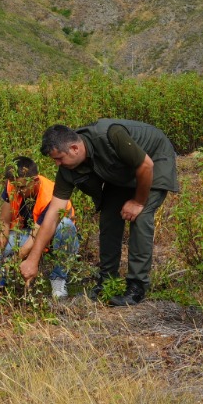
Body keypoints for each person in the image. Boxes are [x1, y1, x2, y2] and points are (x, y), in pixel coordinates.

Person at [22, 120, 179, 306]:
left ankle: (137, 286)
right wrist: (33, 258)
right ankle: (106, 282)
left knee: (141, 217)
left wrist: (137, 202)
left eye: (59, 158)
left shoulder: (110, 136)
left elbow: (146, 166)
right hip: (122, 172)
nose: (57, 164)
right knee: (109, 218)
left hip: (153, 159)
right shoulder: (66, 168)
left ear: (74, 148)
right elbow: (53, 213)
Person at [0, 157, 80, 298]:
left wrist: (12, 264)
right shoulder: (13, 185)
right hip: (27, 232)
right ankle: (3, 282)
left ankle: (58, 278)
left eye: (21, 187)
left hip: (54, 235)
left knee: (66, 225)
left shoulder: (51, 195)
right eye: (14, 186)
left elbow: (37, 235)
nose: (17, 191)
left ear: (35, 181)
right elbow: (4, 222)